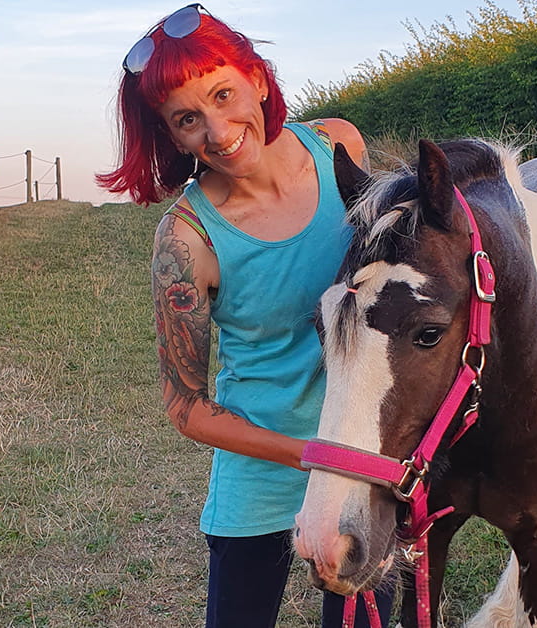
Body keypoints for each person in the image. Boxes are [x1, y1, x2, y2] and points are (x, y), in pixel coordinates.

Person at [98, 4, 395, 627]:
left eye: (224, 93)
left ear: (258, 80)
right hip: (263, 473)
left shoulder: (339, 146)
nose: (218, 128)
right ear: (172, 137)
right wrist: (309, 454)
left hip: (364, 458)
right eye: (187, 118)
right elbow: (185, 407)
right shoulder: (186, 241)